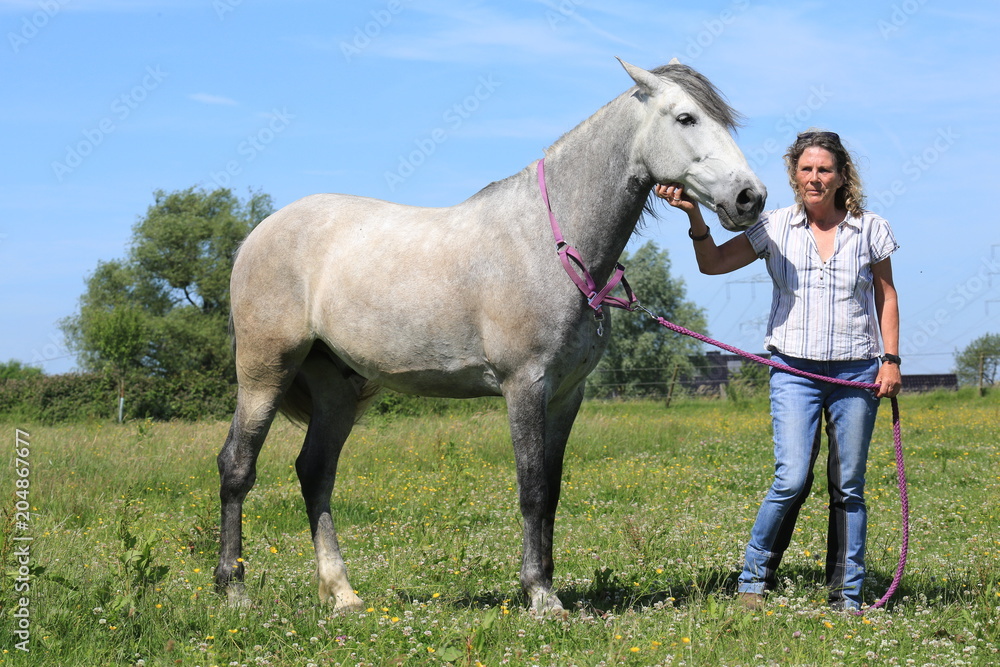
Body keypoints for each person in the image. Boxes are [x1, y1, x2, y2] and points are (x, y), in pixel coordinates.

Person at [655, 129, 901, 611]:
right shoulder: (774, 227)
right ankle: (753, 580)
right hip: (792, 370)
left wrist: (890, 360)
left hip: (856, 374)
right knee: (791, 478)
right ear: (794, 175)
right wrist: (695, 217)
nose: (815, 177)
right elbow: (714, 264)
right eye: (806, 169)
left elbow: (886, 296)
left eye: (824, 169)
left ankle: (848, 594)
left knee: (848, 486)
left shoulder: (870, 228)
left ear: (840, 175)